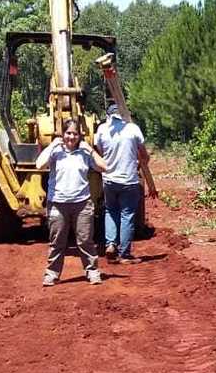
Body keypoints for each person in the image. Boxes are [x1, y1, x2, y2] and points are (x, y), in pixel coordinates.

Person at [37, 118, 110, 286]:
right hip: (58, 203)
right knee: (57, 241)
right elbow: (39, 164)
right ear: (63, 134)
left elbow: (103, 167)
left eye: (75, 134)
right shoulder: (56, 152)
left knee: (85, 240)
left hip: (82, 203)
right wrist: (52, 145)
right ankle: (52, 274)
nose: (71, 137)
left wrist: (90, 150)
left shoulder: (85, 152)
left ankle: (92, 272)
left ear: (80, 135)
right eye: (68, 133)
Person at [95, 102, 158, 264]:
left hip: (109, 179)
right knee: (127, 214)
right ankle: (124, 253)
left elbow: (100, 153)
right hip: (129, 180)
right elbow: (144, 156)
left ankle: (110, 244)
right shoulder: (133, 129)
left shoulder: (102, 129)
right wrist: (137, 164)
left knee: (110, 210)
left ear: (108, 115)